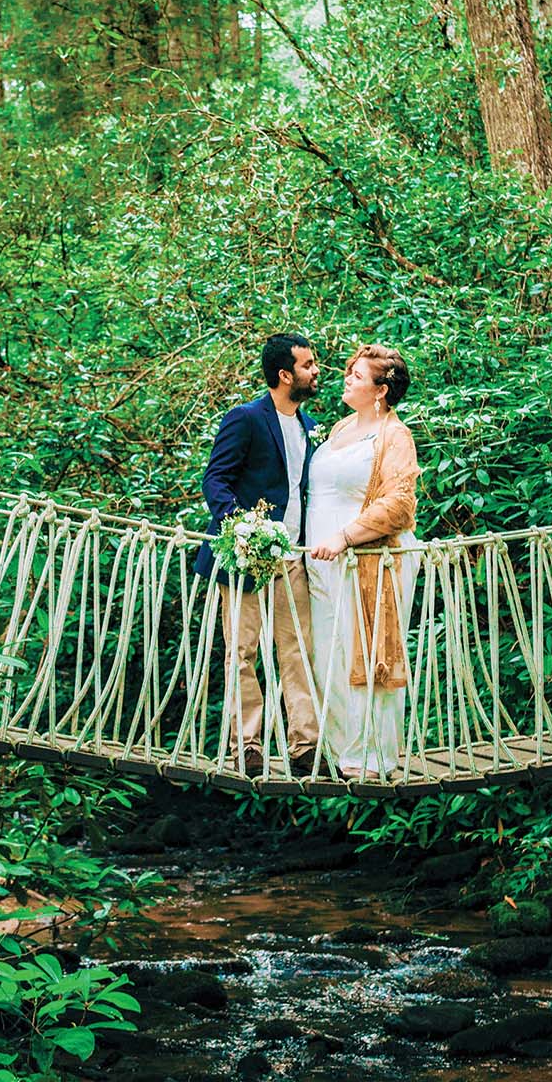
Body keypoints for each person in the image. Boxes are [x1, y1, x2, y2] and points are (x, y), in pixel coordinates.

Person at [194, 333, 323, 776]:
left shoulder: (309, 427)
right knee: (242, 652)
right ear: (285, 375)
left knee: (297, 650)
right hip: (246, 555)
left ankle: (305, 746)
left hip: (294, 558)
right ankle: (247, 744)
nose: (316, 370)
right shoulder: (246, 418)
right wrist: (242, 529)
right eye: (308, 364)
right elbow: (216, 480)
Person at [306, 344, 420, 779]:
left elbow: (399, 504)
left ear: (381, 389)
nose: (347, 379)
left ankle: (372, 756)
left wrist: (345, 536)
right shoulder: (339, 428)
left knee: (369, 655)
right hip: (321, 564)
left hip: (370, 561)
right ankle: (341, 751)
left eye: (357, 375)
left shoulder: (395, 435)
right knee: (328, 654)